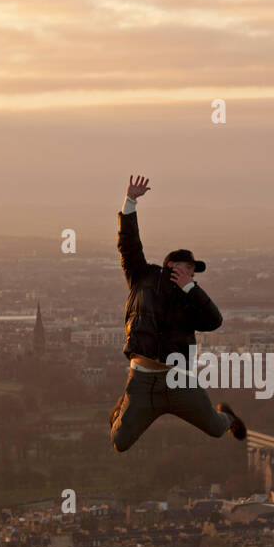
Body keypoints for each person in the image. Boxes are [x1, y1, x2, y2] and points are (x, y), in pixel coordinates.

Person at [109, 174, 247, 452]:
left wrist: (191, 288)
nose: (191, 275)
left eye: (193, 273)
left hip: (178, 378)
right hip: (143, 378)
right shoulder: (142, 277)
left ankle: (228, 416)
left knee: (217, 428)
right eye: (188, 269)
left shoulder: (190, 299)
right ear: (172, 265)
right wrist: (130, 201)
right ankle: (124, 406)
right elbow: (128, 245)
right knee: (119, 442)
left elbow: (214, 321)